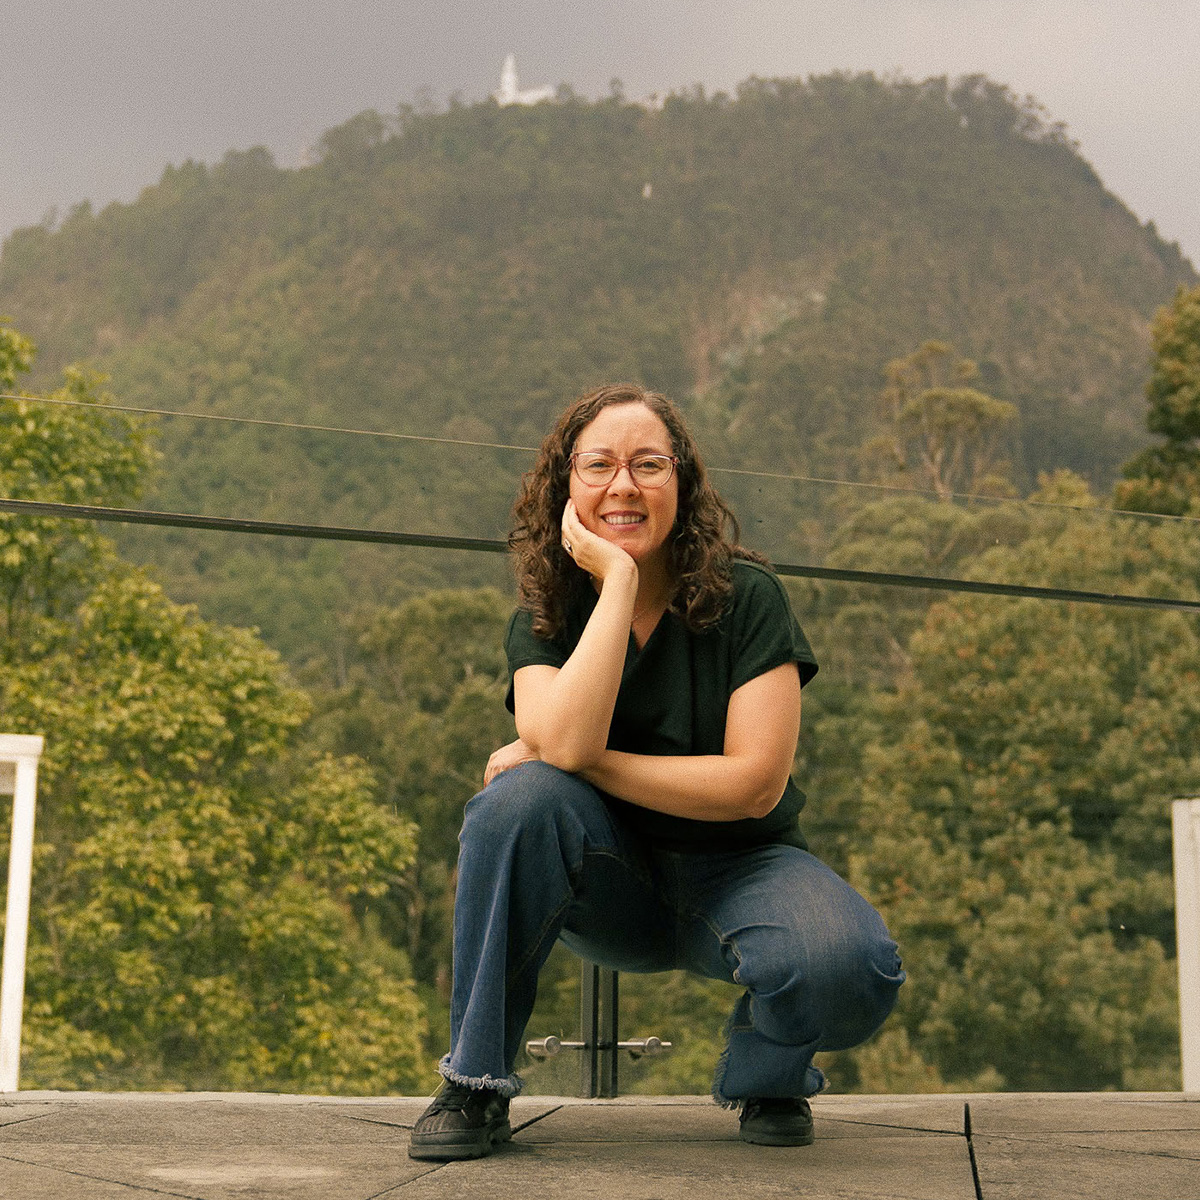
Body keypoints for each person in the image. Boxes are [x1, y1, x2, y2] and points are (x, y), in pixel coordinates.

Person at [408, 383, 904, 1161]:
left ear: (684, 483)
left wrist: (577, 757)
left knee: (850, 969)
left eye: (649, 463)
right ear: (566, 487)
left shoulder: (748, 599)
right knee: (516, 802)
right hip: (610, 881)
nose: (624, 485)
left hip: (744, 871)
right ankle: (474, 1084)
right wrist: (619, 585)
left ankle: (766, 1075)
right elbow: (553, 758)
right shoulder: (545, 619)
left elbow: (753, 785)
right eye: (598, 465)